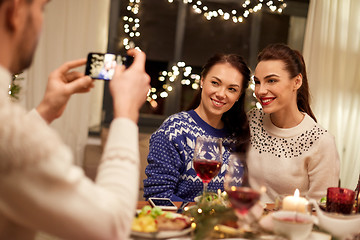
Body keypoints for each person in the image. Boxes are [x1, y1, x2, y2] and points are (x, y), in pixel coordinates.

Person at [0, 0, 150, 239]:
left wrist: (45, 110)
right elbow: (111, 226)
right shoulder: (8, 131)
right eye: (41, 9)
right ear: (15, 11)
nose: (41, 23)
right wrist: (126, 112)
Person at [143, 53, 251, 202]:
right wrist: (201, 213)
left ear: (239, 95)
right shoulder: (174, 130)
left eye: (232, 89)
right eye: (215, 83)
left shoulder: (238, 135)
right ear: (202, 81)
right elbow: (158, 196)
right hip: (182, 223)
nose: (221, 94)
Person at [247, 43, 340, 203]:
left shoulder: (322, 142)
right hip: (242, 223)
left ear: (297, 82)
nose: (261, 91)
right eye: (257, 82)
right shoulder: (252, 120)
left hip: (286, 226)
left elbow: (320, 209)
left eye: (271, 81)